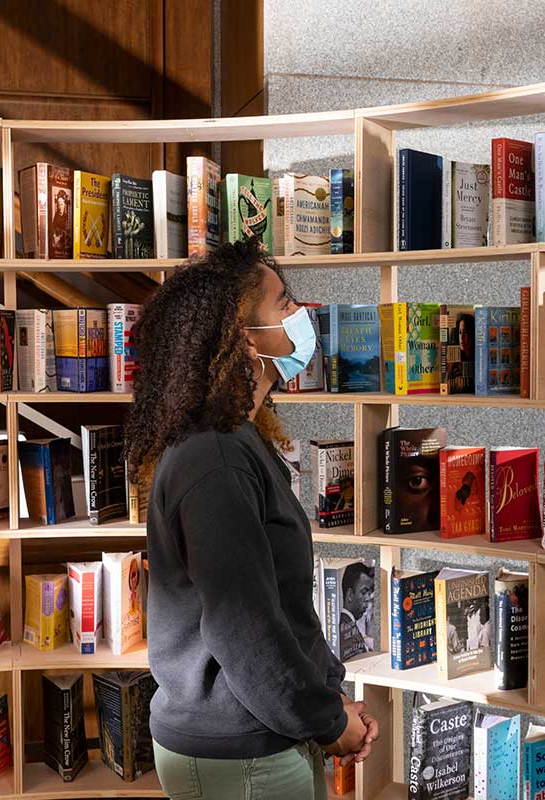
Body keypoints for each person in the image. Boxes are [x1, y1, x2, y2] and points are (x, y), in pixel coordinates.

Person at [129, 238, 376, 799]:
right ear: (243, 339)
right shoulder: (215, 460)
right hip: (239, 752)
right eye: (284, 304)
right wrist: (331, 722)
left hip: (264, 736)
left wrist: (328, 699)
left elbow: (283, 607)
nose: (301, 315)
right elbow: (245, 631)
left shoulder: (239, 440)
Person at [339, 562, 374, 659]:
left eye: (369, 592)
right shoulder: (345, 629)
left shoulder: (350, 624)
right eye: (364, 592)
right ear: (350, 595)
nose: (368, 598)